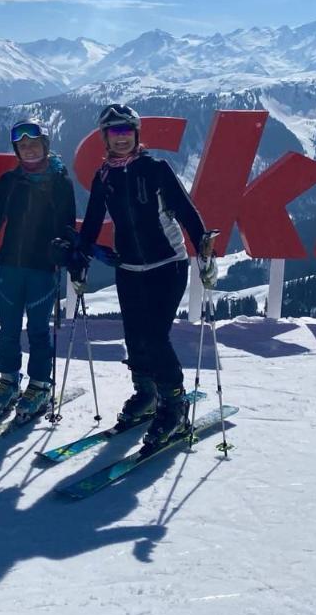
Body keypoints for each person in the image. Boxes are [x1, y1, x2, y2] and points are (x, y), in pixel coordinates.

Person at [76, 103, 217, 444]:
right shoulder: (104, 176)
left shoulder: (155, 168)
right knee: (135, 336)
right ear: (105, 138)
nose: (121, 139)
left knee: (155, 337)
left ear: (136, 135)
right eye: (114, 133)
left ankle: (174, 405)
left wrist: (204, 250)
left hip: (167, 265)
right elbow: (93, 220)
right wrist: (80, 254)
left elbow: (185, 209)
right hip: (129, 269)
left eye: (126, 132)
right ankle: (147, 394)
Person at [0, 120, 76, 421]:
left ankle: (39, 383)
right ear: (16, 150)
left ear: (45, 146)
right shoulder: (10, 181)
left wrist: (65, 247)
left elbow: (68, 225)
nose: (29, 149)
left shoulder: (60, 181)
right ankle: (8, 377)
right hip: (10, 264)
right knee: (7, 328)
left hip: (42, 268)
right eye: (22, 146)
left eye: (33, 144)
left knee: (37, 329)